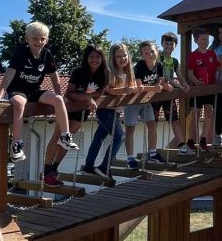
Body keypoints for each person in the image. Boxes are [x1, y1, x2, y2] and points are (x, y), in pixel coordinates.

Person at [0, 21, 78, 162]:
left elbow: (54, 76)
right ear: (27, 38)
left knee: (58, 100)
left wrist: (59, 94)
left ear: (47, 40)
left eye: (42, 38)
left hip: (34, 90)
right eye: (35, 38)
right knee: (19, 104)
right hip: (17, 90)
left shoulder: (46, 54)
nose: (39, 42)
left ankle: (65, 136)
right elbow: (10, 72)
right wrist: (0, 93)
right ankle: (17, 145)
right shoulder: (22, 52)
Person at [42, 44, 109, 186]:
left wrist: (89, 98)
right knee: (58, 135)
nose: (94, 59)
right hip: (68, 107)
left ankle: (54, 168)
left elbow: (100, 93)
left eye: (97, 56)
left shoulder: (104, 73)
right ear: (86, 58)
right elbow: (69, 93)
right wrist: (88, 98)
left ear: (102, 58)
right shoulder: (78, 72)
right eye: (91, 56)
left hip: (82, 110)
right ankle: (46, 171)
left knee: (67, 139)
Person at [82, 43, 140, 177]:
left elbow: (132, 89)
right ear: (113, 58)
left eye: (124, 55)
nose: (122, 58)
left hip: (116, 111)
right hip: (105, 110)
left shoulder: (128, 73)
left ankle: (89, 166)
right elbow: (109, 90)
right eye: (118, 56)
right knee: (119, 136)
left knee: (99, 137)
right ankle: (104, 167)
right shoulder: (110, 72)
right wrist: (125, 90)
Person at [124, 41, 167, 169]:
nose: (150, 55)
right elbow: (139, 87)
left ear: (157, 52)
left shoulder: (159, 65)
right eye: (146, 53)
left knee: (152, 124)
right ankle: (130, 159)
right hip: (132, 101)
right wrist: (154, 88)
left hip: (145, 100)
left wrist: (166, 86)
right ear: (142, 55)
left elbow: (160, 82)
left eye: (152, 51)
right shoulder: (139, 66)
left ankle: (153, 153)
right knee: (130, 129)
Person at [157, 32, 190, 154]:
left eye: (172, 44)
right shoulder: (158, 58)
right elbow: (165, 76)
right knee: (153, 122)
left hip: (168, 94)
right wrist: (179, 86)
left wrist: (185, 84)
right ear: (162, 44)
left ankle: (181, 145)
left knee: (174, 119)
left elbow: (179, 75)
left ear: (175, 45)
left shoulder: (174, 61)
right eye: (166, 43)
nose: (169, 46)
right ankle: (152, 149)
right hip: (157, 93)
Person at [186, 27, 219, 152]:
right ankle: (190, 140)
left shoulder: (212, 54)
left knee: (209, 113)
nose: (206, 42)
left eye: (207, 39)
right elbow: (190, 74)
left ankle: (203, 140)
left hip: (210, 88)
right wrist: (197, 82)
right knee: (196, 114)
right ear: (196, 40)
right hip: (197, 89)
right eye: (203, 39)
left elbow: (218, 68)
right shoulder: (193, 55)